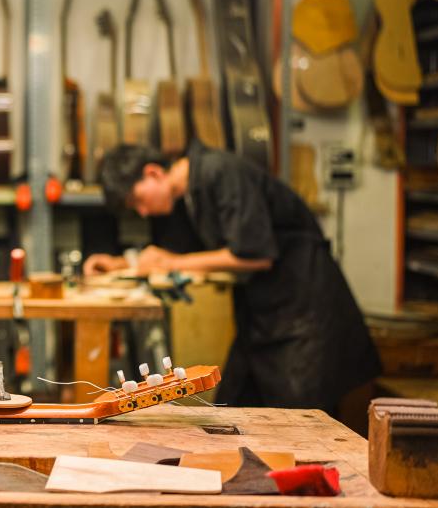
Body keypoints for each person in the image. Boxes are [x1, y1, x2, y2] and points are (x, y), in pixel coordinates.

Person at [85, 143, 380, 413]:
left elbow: (255, 254)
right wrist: (122, 264)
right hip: (264, 313)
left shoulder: (220, 171)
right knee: (231, 406)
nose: (142, 211)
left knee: (300, 417)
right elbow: (189, 256)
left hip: (304, 310)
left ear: (153, 173)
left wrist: (172, 262)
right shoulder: (191, 193)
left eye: (137, 200)